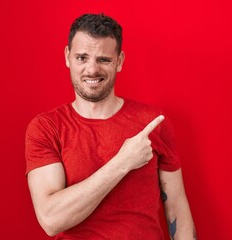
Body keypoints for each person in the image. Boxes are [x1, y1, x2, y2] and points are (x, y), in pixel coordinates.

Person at [25, 13, 196, 240]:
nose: (92, 70)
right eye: (82, 58)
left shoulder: (153, 122)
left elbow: (176, 207)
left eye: (104, 59)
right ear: (67, 57)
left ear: (120, 61)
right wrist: (123, 162)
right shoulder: (46, 128)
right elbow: (51, 219)